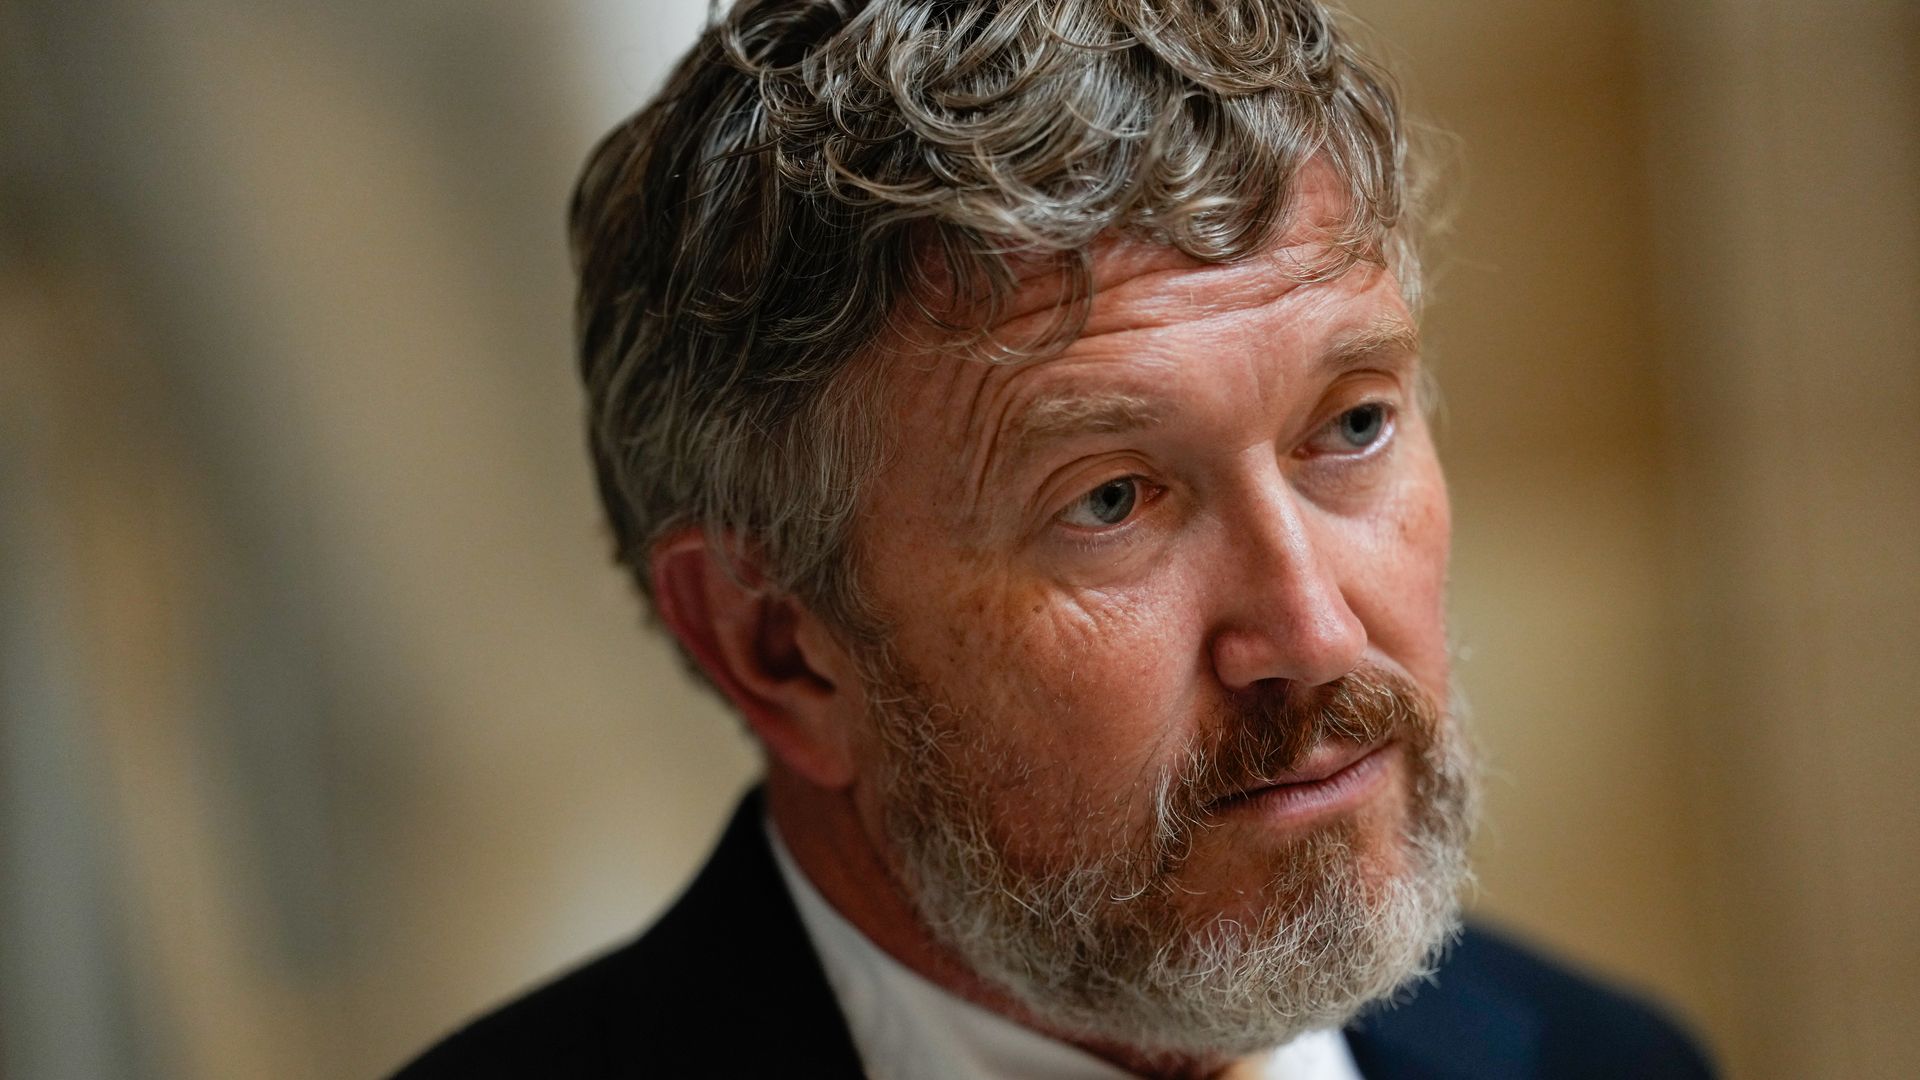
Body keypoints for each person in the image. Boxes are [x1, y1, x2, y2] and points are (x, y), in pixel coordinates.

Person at [398, 0, 1714, 1076]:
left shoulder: (1603, 1061)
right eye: (1110, 501)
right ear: (778, 648)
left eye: (1353, 424)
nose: (1314, 634)